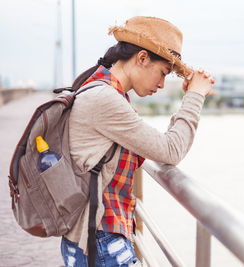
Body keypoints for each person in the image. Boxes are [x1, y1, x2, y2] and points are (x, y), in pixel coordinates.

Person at [60, 16, 214, 267]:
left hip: (92, 236)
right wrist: (195, 96)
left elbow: (158, 144)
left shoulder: (102, 91)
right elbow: (171, 150)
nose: (162, 84)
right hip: (101, 239)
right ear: (142, 58)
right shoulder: (104, 99)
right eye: (163, 73)